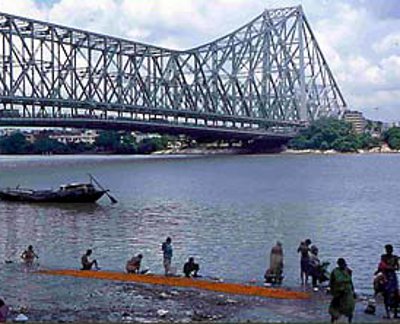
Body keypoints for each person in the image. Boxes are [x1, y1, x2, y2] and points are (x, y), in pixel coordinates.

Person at [375, 244, 399, 319]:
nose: (388, 251)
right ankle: (388, 313)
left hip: (392, 276)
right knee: (386, 294)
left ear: (392, 250)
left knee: (395, 293)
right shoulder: (383, 257)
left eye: (389, 249)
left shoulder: (395, 258)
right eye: (387, 249)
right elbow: (381, 266)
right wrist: (378, 271)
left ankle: (395, 313)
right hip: (385, 277)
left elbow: (398, 268)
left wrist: (390, 268)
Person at [329, 258, 356, 324]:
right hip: (338, 293)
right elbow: (331, 282)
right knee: (334, 309)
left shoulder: (348, 271)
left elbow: (350, 281)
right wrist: (332, 290)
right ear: (338, 264)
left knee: (350, 308)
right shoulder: (335, 271)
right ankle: (332, 321)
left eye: (343, 264)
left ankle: (350, 321)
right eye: (341, 264)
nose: (342, 266)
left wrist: (353, 291)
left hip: (347, 293)